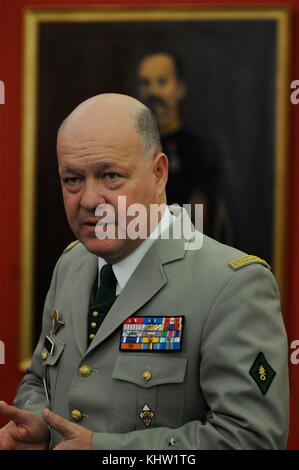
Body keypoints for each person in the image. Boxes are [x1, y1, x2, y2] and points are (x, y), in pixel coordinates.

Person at [0, 94, 289, 450]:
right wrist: (39, 421)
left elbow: (252, 440)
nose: (89, 200)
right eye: (72, 179)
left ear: (159, 173)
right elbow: (40, 379)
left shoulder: (231, 285)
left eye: (110, 176)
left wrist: (107, 452)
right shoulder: (72, 263)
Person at [136, 52, 239, 245]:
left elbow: (222, 222)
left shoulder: (205, 152)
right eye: (146, 83)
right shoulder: (131, 150)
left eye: (162, 81)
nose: (153, 92)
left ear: (180, 88)